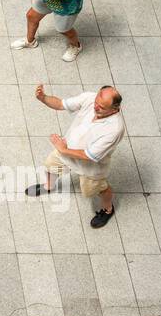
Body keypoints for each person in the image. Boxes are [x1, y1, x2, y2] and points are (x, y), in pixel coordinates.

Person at [24, 84, 126, 229]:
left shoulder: (114, 129)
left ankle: (108, 209)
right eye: (97, 101)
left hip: (90, 167)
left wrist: (63, 149)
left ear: (115, 109)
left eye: (102, 107)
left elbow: (90, 156)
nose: (96, 107)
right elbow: (60, 104)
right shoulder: (90, 98)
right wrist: (44, 98)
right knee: (50, 166)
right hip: (66, 148)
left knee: (97, 189)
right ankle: (48, 186)